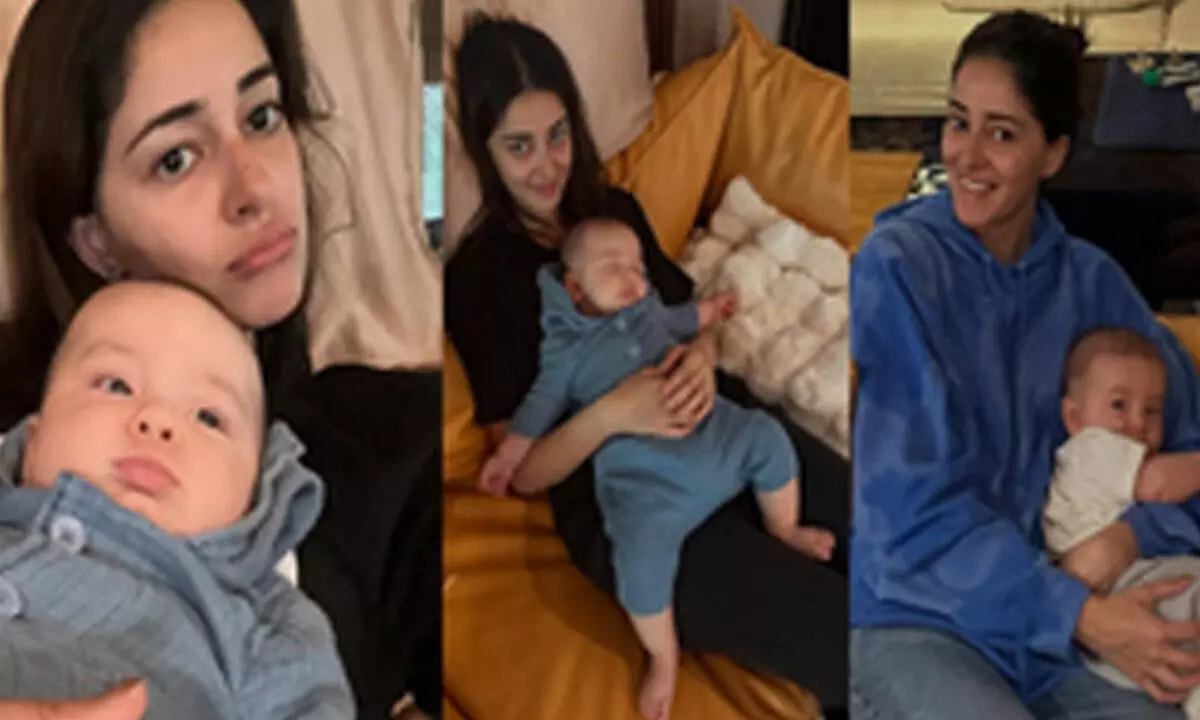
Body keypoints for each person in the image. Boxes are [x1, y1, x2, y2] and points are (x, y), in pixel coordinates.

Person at [0, 1, 441, 718]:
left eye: (261, 116)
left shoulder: (395, 443)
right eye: (176, 158)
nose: (255, 188)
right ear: (94, 240)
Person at [444, 12, 851, 716]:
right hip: (629, 497)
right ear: (485, 151)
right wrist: (612, 414)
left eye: (558, 134)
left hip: (720, 422)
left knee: (888, 538)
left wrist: (702, 356)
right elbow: (525, 470)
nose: (547, 164)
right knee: (843, 638)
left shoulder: (614, 212)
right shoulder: (482, 280)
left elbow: (690, 318)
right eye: (519, 146)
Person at [850, 10, 1200, 720]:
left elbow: (1187, 453)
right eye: (959, 122)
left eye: (1003, 133)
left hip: (1061, 640)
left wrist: (1130, 537)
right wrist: (1077, 613)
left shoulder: (1095, 286)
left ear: (1053, 154)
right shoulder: (898, 270)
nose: (967, 156)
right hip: (917, 619)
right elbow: (905, 517)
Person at [480, 218, 835, 719]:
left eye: (638, 267)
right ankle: (663, 656)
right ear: (575, 289)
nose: (632, 277)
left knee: (768, 437)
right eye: (614, 268)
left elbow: (683, 318)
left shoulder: (647, 310)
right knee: (640, 561)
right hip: (651, 485)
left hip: (715, 436)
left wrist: (710, 321)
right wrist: (509, 456)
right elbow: (538, 409)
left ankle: (785, 527)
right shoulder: (566, 350)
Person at [0, 281, 353, 719]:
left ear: (254, 490)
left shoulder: (263, 627)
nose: (157, 421)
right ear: (33, 440)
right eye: (116, 385)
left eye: (208, 417)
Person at [1044, 327, 1200, 718]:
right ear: (1074, 416)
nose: (1136, 423)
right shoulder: (1092, 449)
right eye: (1119, 405)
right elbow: (1158, 484)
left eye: (1152, 410)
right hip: (1124, 587)